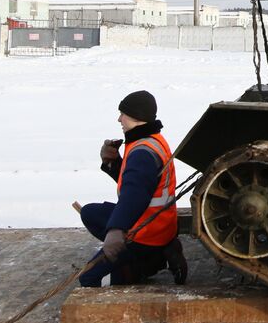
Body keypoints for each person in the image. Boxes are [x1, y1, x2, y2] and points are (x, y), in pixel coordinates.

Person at [78, 90, 187, 287]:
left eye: (123, 114)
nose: (119, 119)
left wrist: (116, 230)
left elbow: (134, 196)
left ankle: (143, 266)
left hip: (146, 232)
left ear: (137, 116)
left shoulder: (141, 153)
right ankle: (163, 250)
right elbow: (139, 183)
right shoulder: (151, 140)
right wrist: (113, 163)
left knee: (89, 279)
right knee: (89, 212)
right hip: (161, 225)